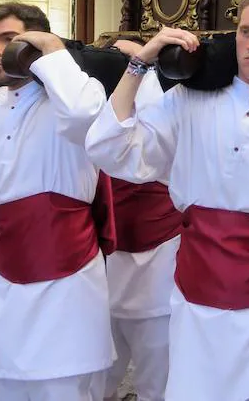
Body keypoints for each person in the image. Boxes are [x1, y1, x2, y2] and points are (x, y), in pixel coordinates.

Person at [85, 0, 249, 401]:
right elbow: (110, 149)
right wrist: (141, 62)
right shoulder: (190, 102)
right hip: (192, 311)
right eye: (245, 32)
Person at [0, 2, 113, 401]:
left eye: (10, 40)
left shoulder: (73, 99)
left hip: (67, 290)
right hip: (0, 288)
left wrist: (52, 51)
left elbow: (87, 116)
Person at [101, 41, 183, 401]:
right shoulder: (95, 126)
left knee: (157, 381)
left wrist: (143, 60)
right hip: (101, 271)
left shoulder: (168, 120)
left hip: (159, 268)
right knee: (95, 379)